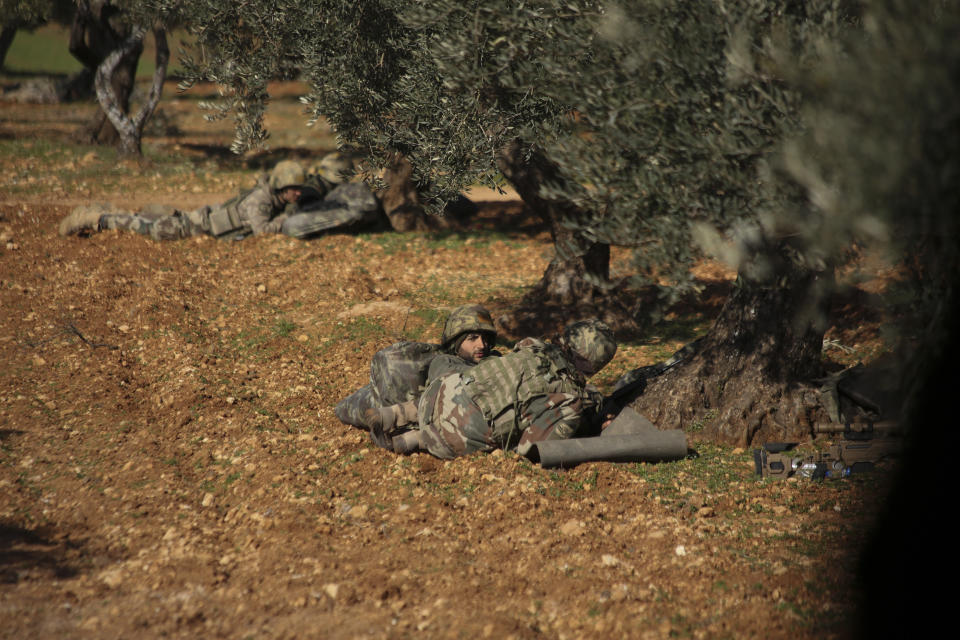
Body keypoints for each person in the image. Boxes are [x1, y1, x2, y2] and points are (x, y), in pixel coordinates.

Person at [372, 319, 617, 459]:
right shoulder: (569, 401)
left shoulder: (532, 345)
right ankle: (414, 441)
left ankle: (394, 414)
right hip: (452, 437)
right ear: (596, 365)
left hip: (439, 392)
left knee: (469, 385)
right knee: (478, 432)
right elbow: (531, 449)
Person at [334, 304, 498, 431]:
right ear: (456, 343)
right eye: (472, 338)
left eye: (485, 339)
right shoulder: (444, 363)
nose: (481, 345)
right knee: (349, 407)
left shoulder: (491, 358)